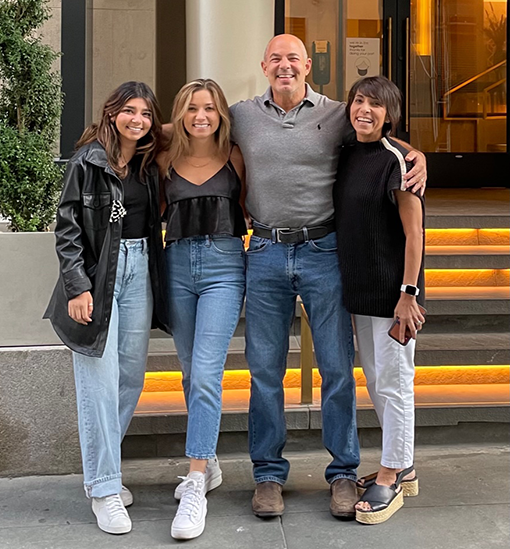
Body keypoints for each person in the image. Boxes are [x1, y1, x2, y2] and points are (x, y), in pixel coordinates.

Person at [229, 34, 427, 520]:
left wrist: (418, 155)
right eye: (275, 58)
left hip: (325, 253)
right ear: (263, 65)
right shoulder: (241, 114)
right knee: (264, 371)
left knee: (337, 371)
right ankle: (269, 476)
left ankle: (343, 473)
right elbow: (193, 126)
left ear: (308, 64)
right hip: (268, 253)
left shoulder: (337, 111)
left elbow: (378, 129)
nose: (285, 66)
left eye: (293, 57)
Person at [44, 81, 169, 535]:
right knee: (98, 380)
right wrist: (78, 287)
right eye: (129, 111)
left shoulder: (146, 161)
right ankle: (103, 487)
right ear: (111, 112)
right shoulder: (87, 160)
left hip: (140, 270)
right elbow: (67, 228)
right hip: (98, 278)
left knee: (130, 376)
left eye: (146, 113)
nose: (138, 119)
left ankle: (105, 470)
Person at [334, 75, 425, 525]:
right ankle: (401, 461)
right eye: (358, 101)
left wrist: (408, 294)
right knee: (377, 381)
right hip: (360, 290)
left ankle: (391, 475)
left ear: (390, 114)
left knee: (394, 383)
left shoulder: (397, 160)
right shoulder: (350, 151)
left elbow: (414, 232)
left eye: (375, 104)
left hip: (393, 295)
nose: (363, 110)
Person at [159, 79, 246, 540]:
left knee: (208, 372)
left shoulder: (235, 155)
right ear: (179, 113)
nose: (201, 116)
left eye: (209, 108)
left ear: (221, 113)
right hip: (175, 265)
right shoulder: (163, 157)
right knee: (191, 371)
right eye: (192, 108)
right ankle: (208, 462)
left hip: (224, 266)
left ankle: (194, 480)